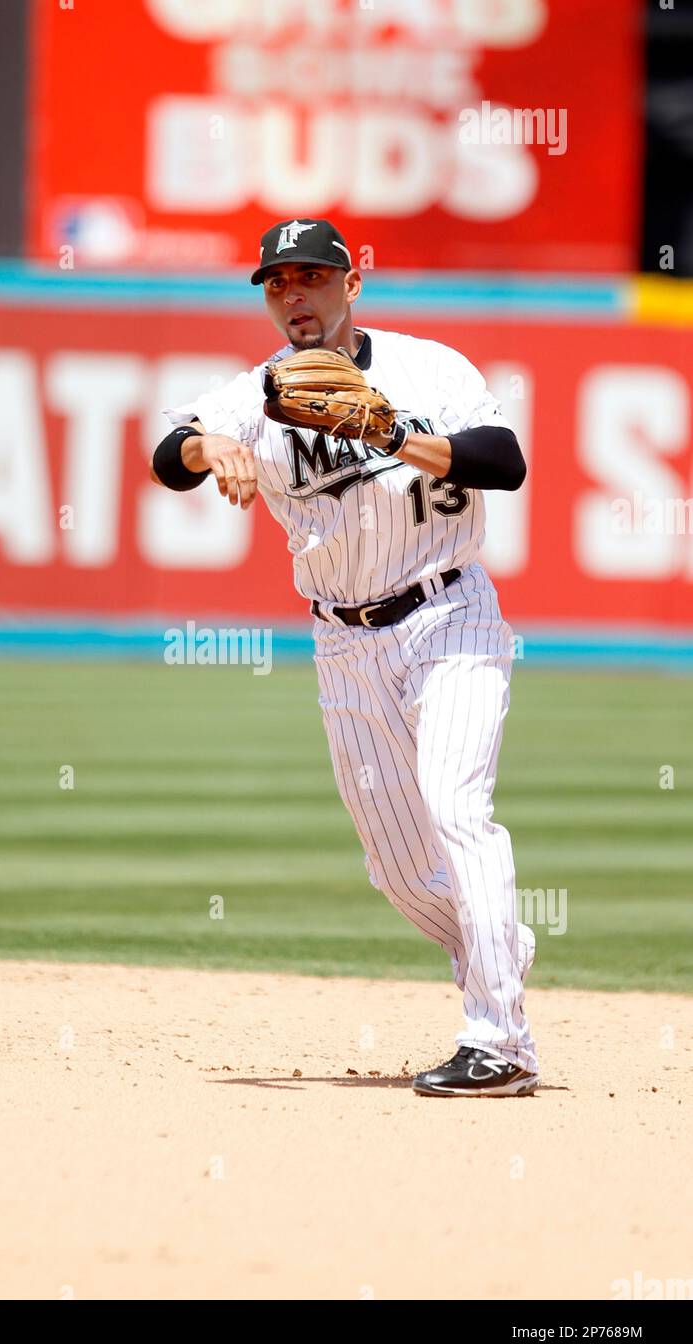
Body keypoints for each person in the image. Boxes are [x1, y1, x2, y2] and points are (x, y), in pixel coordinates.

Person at [150, 217, 537, 1097]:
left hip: (451, 618)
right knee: (398, 869)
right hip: (343, 640)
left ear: (350, 283)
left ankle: (500, 1041)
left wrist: (392, 433)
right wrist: (210, 447)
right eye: (277, 283)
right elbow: (168, 456)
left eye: (311, 278)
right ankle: (496, 944)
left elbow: (503, 463)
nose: (294, 295)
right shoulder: (252, 395)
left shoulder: (427, 369)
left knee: (454, 808)